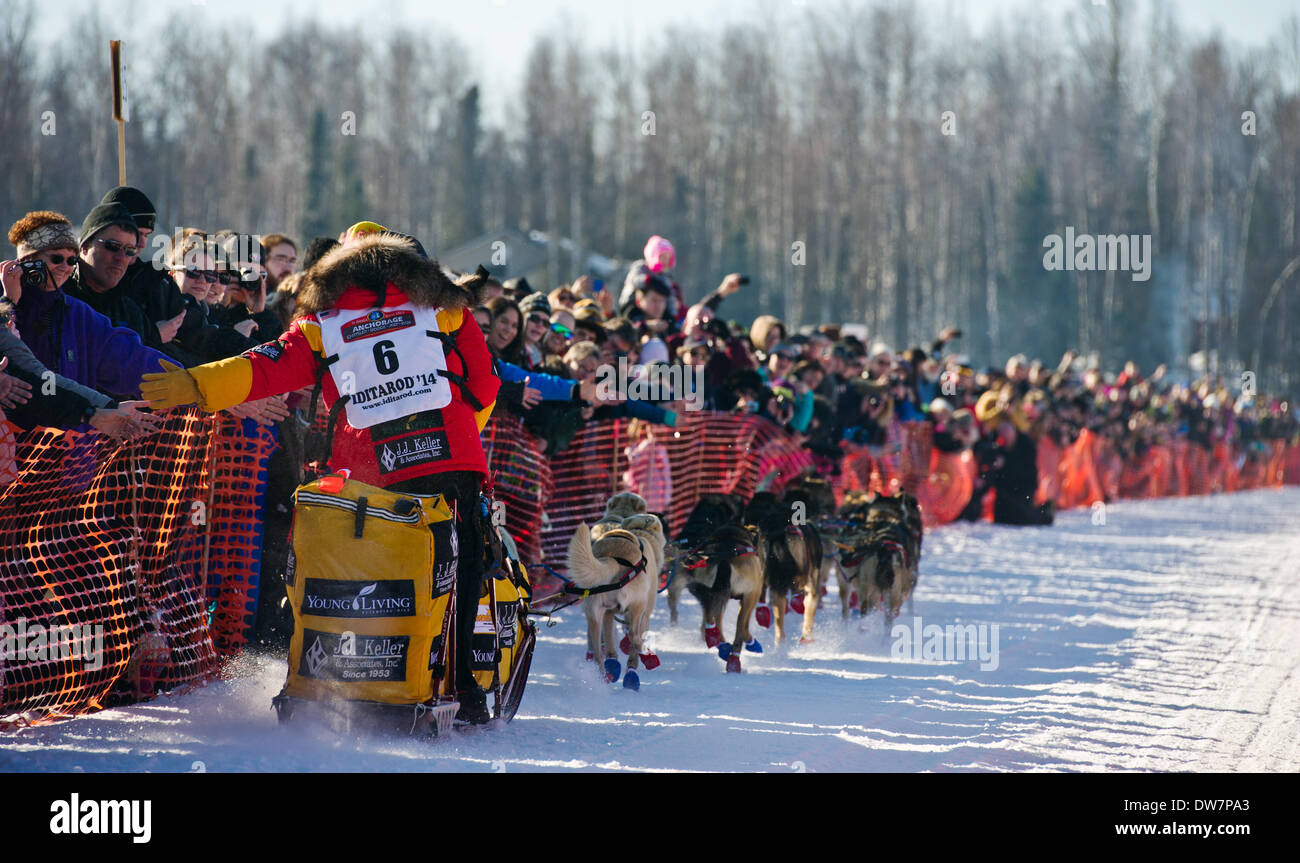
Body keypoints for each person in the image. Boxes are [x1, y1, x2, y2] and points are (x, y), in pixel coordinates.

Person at [140, 224, 502, 723]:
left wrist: (195, 384)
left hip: (372, 472)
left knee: (363, 573)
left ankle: (345, 683)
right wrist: (461, 436)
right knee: (456, 573)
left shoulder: (324, 323)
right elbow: (484, 386)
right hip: (450, 461)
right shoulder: (447, 309)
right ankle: (463, 691)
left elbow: (266, 366)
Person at [3, 210, 170, 398]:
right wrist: (8, 303)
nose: (65, 267)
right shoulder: (7, 307)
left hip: (72, 421)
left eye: (71, 260)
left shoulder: (77, 313)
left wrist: (188, 380)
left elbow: (127, 358)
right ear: (28, 260)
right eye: (56, 258)